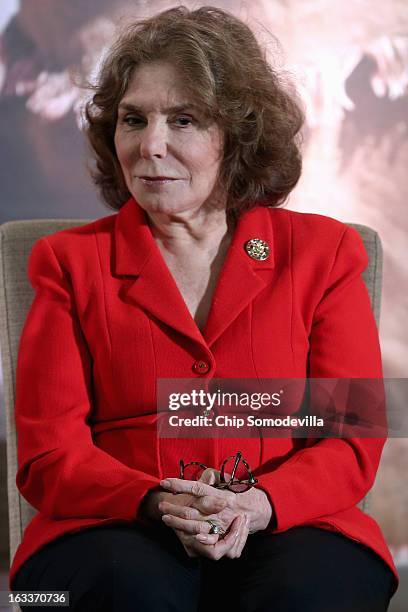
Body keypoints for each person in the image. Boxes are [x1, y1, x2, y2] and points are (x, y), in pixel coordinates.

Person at [9, 5, 398, 611]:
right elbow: (48, 455)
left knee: (306, 595)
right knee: (116, 593)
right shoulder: (66, 263)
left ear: (239, 136)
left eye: (183, 119)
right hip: (106, 531)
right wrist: (156, 501)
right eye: (132, 119)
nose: (149, 145)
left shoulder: (326, 254)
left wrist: (259, 504)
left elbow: (352, 441)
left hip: (293, 527)